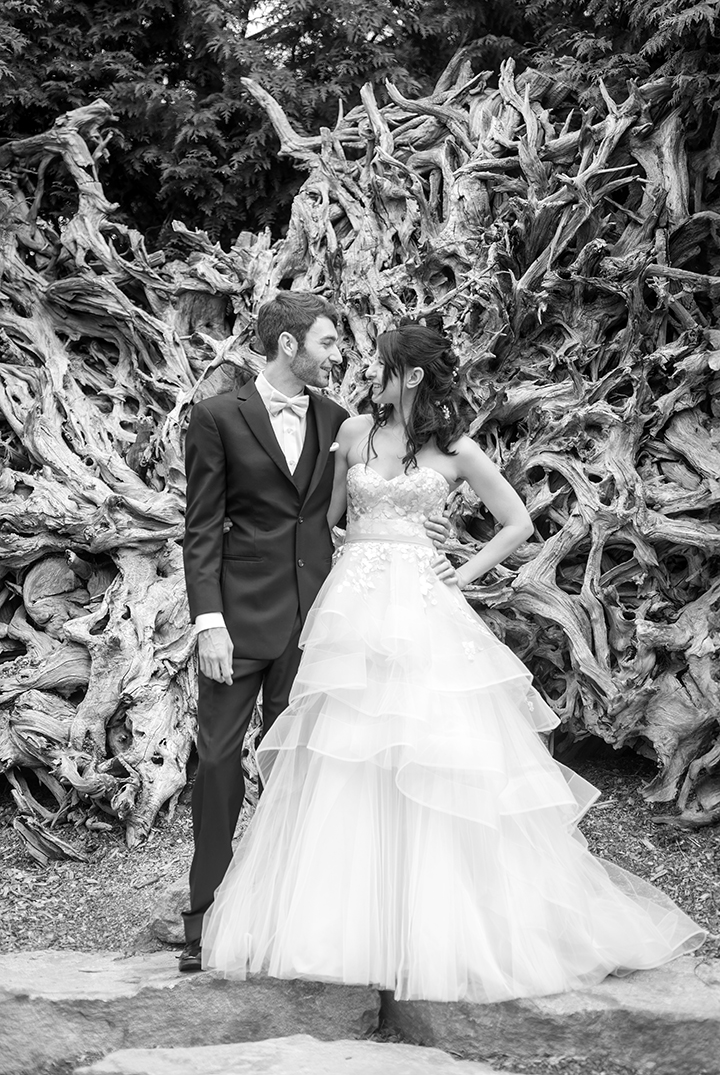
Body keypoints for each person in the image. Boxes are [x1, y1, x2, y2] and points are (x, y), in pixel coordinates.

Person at [201, 320, 705, 1001]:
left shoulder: (458, 450)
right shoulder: (351, 432)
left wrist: (460, 571)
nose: (366, 373)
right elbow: (322, 523)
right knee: (346, 748)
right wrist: (368, 539)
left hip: (422, 605)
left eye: (379, 365)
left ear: (409, 375)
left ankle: (433, 924)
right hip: (353, 602)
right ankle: (341, 920)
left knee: (427, 744)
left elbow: (518, 522)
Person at [180, 296, 450, 973]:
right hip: (237, 622)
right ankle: (202, 915)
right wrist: (207, 620)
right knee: (216, 762)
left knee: (304, 771)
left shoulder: (342, 422)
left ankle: (286, 919)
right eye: (329, 343)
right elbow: (202, 527)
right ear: (289, 345)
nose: (340, 355)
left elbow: (345, 514)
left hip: (319, 624)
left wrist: (425, 533)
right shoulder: (216, 417)